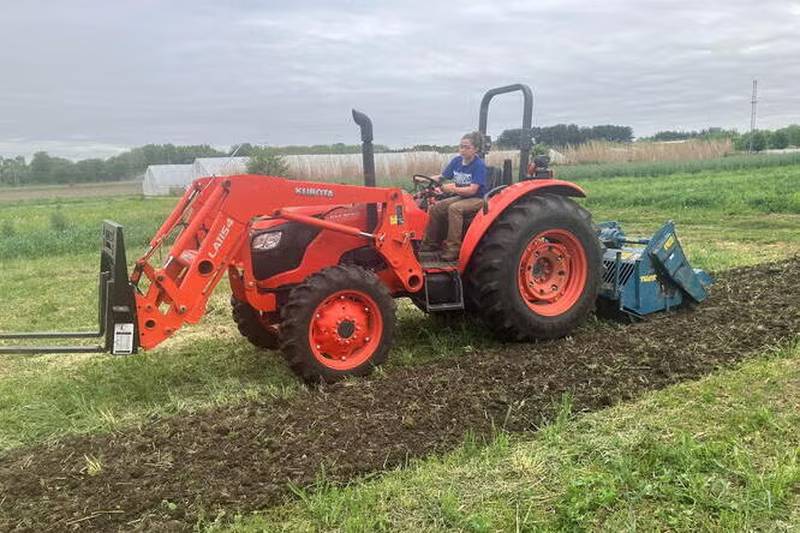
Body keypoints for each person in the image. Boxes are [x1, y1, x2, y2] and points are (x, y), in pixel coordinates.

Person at [420, 131, 487, 261]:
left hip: (477, 198)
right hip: (462, 196)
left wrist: (452, 188)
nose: (463, 150)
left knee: (455, 208)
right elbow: (442, 177)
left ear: (476, 149)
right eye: (461, 146)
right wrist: (426, 179)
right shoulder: (456, 161)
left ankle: (453, 249)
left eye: (467, 147)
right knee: (436, 207)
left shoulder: (479, 165)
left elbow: (472, 190)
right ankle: (430, 243)